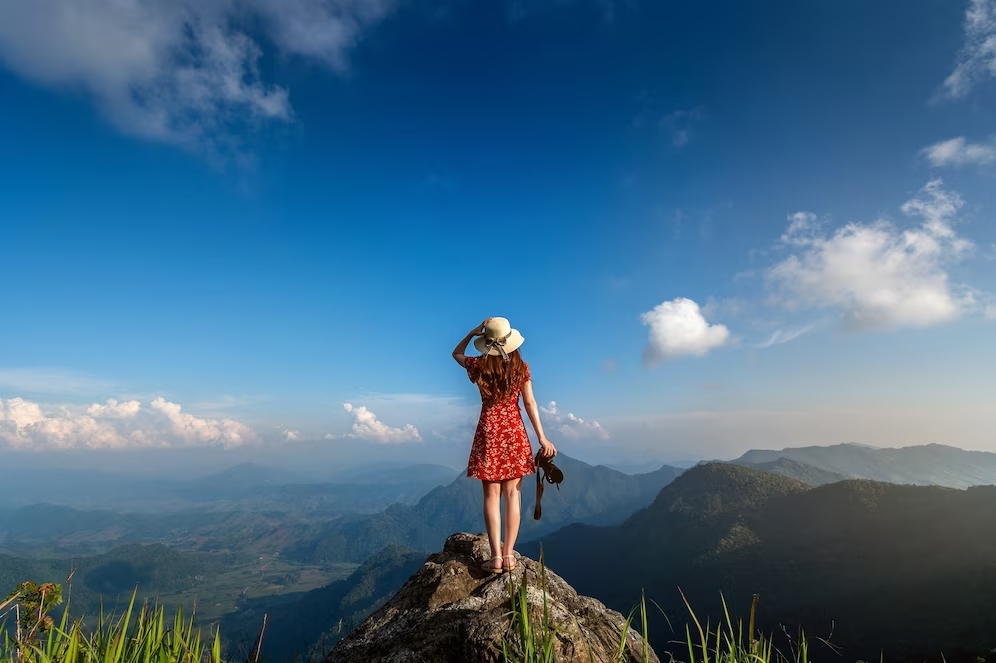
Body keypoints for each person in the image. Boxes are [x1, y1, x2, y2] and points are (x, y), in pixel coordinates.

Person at [452, 317, 557, 574]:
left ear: (486, 341)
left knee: (491, 495)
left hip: (489, 429)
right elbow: (530, 403)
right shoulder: (522, 367)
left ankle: (496, 558)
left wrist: (471, 332)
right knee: (513, 495)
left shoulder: (478, 365)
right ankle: (509, 556)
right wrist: (542, 438)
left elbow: (456, 353)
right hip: (513, 430)